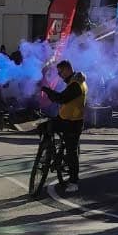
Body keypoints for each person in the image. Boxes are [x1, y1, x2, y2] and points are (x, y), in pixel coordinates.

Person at [39, 61, 87, 192]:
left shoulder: (76, 85)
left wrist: (47, 90)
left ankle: (73, 182)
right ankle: (48, 151)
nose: (59, 75)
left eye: (60, 72)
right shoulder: (73, 82)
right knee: (44, 125)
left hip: (73, 123)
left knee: (71, 152)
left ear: (67, 70)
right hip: (66, 119)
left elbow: (62, 98)